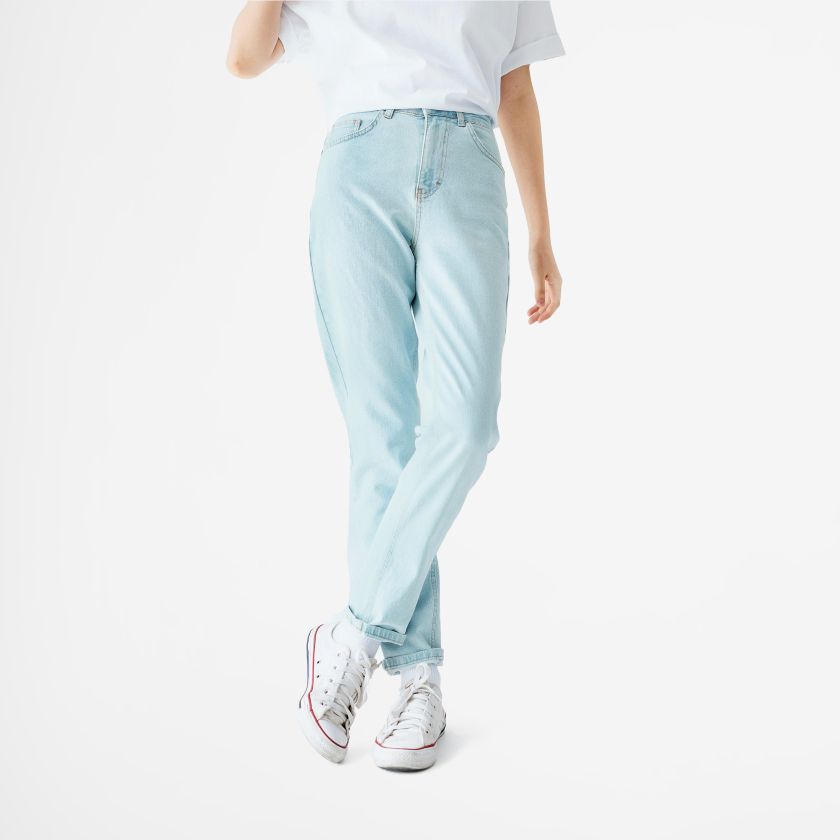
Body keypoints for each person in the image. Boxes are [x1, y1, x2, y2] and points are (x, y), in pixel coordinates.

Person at [226, 0, 565, 771]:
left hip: (468, 161)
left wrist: (543, 234)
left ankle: (352, 633)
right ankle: (417, 677)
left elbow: (514, 86)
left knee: (466, 426)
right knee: (381, 438)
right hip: (359, 163)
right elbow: (243, 58)